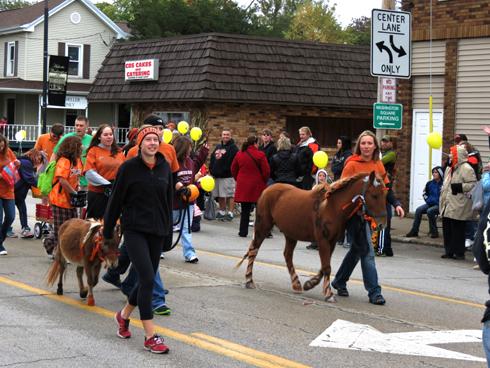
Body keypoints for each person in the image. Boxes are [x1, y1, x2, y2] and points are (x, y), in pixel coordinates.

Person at [104, 125, 172, 354]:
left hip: (157, 231)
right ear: (140, 144)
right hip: (134, 230)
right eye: (148, 140)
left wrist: (168, 234)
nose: (152, 143)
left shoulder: (164, 167)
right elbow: (115, 200)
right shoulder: (128, 168)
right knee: (147, 278)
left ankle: (123, 316)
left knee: (146, 280)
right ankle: (150, 336)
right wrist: (107, 231)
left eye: (156, 139)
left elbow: (167, 201)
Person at [331, 130, 405, 305]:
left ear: (375, 146)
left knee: (357, 250)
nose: (366, 146)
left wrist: (397, 204)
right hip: (353, 215)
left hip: (369, 214)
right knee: (368, 252)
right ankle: (374, 292)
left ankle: (339, 280)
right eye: (363, 143)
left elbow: (385, 189)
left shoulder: (378, 165)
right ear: (359, 146)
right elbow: (342, 190)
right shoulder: (351, 164)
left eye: (369, 143)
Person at [172, 135, 209, 263]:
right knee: (166, 226)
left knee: (186, 228)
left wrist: (204, 151)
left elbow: (197, 165)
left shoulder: (190, 161)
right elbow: (170, 178)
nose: (190, 150)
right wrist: (179, 187)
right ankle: (159, 249)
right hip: (174, 202)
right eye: (188, 147)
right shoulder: (172, 162)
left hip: (189, 201)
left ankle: (189, 253)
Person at [46, 136, 83, 257]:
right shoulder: (64, 160)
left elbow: (77, 177)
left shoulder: (77, 160)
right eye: (79, 145)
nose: (81, 147)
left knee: (73, 228)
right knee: (61, 228)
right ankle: (59, 253)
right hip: (59, 200)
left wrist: (79, 190)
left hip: (72, 200)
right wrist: (74, 192)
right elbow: (62, 180)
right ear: (73, 147)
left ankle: (49, 243)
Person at [440, 144, 477, 260]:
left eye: (453, 154)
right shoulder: (449, 168)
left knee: (458, 229)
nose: (450, 156)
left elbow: (472, 184)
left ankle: (459, 252)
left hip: (459, 202)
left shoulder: (466, 168)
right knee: (447, 228)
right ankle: (449, 251)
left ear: (458, 155)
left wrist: (459, 187)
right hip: (447, 202)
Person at [83, 124, 125, 220]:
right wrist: (108, 184)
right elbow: (89, 172)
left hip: (115, 194)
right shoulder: (94, 151)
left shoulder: (119, 152)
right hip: (98, 194)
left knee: (114, 223)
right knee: (96, 225)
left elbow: (125, 170)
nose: (109, 137)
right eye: (105, 135)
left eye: (111, 134)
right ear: (99, 137)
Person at [231, 136, 270, 237]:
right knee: (260, 210)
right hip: (257, 185)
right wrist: (263, 181)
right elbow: (266, 171)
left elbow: (233, 168)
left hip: (243, 184)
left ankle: (243, 231)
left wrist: (238, 179)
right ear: (255, 143)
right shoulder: (260, 154)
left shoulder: (239, 154)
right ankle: (260, 232)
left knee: (245, 210)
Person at [53, 116, 92, 190]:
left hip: (86, 181)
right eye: (76, 125)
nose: (78, 128)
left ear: (87, 126)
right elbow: (55, 154)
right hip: (68, 180)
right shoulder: (67, 138)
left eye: (81, 125)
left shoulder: (91, 139)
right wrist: (51, 171)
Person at [405, 166, 443, 238]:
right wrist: (428, 200)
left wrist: (440, 202)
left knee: (430, 211)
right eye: (433, 172)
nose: (434, 174)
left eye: (436, 172)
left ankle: (434, 232)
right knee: (419, 210)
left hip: (439, 205)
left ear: (440, 174)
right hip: (430, 203)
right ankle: (414, 231)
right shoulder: (429, 183)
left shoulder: (444, 184)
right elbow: (424, 193)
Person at [14, 149, 44, 238]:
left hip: (16, 190)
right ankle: (25, 229)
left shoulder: (24, 161)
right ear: (34, 155)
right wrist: (43, 186)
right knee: (16, 212)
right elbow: (29, 179)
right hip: (16, 191)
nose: (39, 161)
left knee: (15, 211)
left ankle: (24, 228)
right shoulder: (26, 163)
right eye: (39, 158)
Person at [209, 129, 239, 221]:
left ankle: (230, 212)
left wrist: (226, 170)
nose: (225, 136)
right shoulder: (218, 146)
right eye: (224, 134)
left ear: (230, 136)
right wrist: (212, 170)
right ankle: (222, 211)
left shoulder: (233, 148)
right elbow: (213, 159)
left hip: (228, 176)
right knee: (220, 194)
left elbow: (234, 162)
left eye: (227, 135)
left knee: (230, 194)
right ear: (221, 136)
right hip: (217, 176)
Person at [331, 135, 353, 247]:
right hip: (336, 184)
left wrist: (337, 166)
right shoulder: (337, 154)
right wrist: (337, 166)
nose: (337, 145)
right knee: (337, 213)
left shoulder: (349, 155)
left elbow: (341, 168)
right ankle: (339, 238)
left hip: (345, 187)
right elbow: (333, 168)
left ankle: (349, 240)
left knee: (346, 213)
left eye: (339, 143)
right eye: (337, 143)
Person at [0, 135, 19, 255]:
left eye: (2, 146)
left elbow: (14, 164)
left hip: (8, 189)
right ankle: (0, 245)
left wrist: (17, 163)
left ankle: (0, 239)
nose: (1, 148)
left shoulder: (9, 152)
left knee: (11, 216)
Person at [379, 135, 397, 256]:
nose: (384, 143)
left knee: (386, 216)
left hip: (386, 184)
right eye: (383, 141)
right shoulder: (381, 153)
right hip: (380, 186)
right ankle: (386, 248)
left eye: (387, 142)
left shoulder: (391, 154)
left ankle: (386, 247)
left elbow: (379, 163)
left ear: (391, 143)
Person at [306, 168, 331, 250]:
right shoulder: (315, 187)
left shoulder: (328, 187)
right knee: (314, 227)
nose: (321, 177)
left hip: (324, 209)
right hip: (315, 209)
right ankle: (314, 243)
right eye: (320, 175)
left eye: (323, 176)